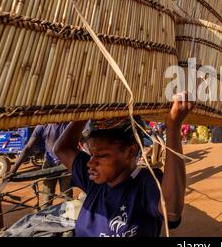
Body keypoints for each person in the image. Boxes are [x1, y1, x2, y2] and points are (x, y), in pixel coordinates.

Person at [53, 92, 193, 237]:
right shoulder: (94, 180)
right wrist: (84, 114)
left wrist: (173, 128)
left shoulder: (145, 184)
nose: (91, 162)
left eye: (101, 155)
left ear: (131, 151)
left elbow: (171, 211)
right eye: (92, 154)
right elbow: (62, 149)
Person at [8, 123, 73, 209]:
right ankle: (44, 217)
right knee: (46, 197)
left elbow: (81, 140)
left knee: (67, 197)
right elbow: (28, 148)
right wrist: (13, 170)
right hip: (49, 163)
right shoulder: (42, 126)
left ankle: (68, 219)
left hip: (65, 162)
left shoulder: (68, 124)